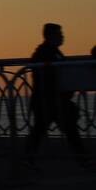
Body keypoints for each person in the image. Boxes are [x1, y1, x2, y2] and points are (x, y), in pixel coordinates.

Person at [24, 23, 86, 168]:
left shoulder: (53, 52)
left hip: (52, 100)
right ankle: (82, 157)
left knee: (47, 129)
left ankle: (28, 158)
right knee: (55, 128)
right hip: (48, 100)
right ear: (51, 36)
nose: (62, 36)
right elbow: (49, 76)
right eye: (59, 34)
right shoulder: (45, 53)